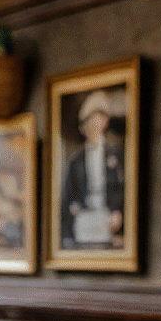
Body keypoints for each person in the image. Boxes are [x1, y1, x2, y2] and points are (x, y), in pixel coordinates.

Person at [60, 89, 125, 249]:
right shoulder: (77, 160)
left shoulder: (115, 154)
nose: (95, 125)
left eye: (99, 119)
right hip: (84, 218)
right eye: (90, 121)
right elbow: (69, 195)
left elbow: (123, 187)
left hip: (108, 217)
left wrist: (118, 211)